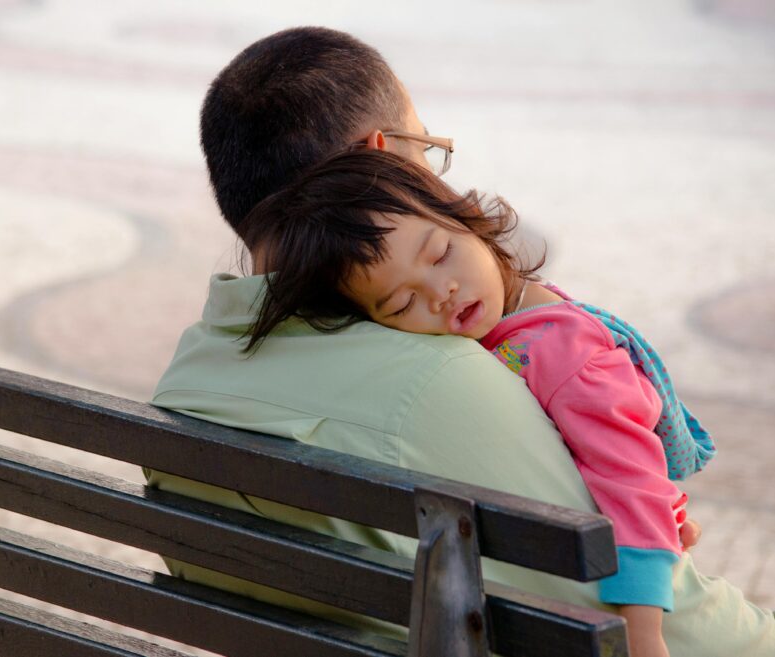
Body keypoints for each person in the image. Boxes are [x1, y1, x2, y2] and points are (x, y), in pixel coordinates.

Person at [147, 26, 775, 656]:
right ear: (385, 156)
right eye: (425, 150)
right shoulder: (433, 381)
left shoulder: (189, 372)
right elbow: (683, 629)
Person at [234, 147, 725, 656]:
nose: (441, 291)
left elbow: (632, 481)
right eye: (402, 303)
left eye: (441, 253)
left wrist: (643, 631)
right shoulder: (507, 313)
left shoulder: (567, 356)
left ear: (469, 220)